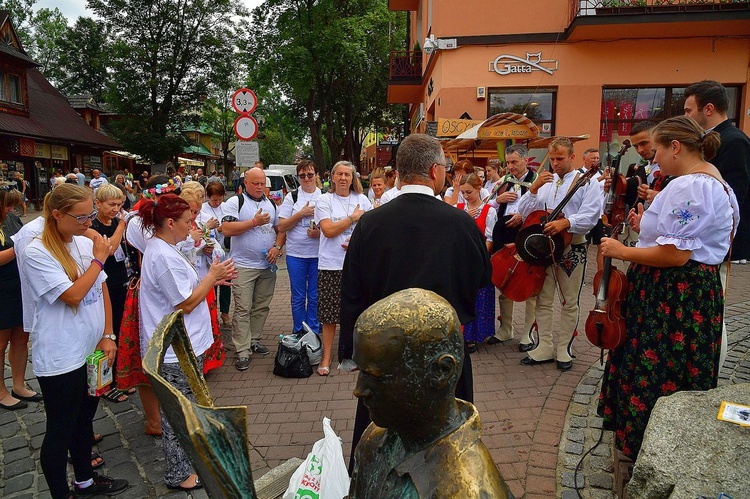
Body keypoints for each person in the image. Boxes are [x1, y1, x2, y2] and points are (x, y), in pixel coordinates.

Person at [340, 133, 491, 471]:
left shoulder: (371, 223)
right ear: (436, 171)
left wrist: (353, 354)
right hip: (443, 357)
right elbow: (482, 278)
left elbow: (352, 290)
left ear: (397, 172)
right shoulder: (460, 223)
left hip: (384, 358)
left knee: (377, 446)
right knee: (449, 449)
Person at [598, 116, 738, 460]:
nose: (653, 158)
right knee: (678, 367)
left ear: (676, 147)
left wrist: (622, 251)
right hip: (687, 291)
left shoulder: (690, 185)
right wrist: (644, 224)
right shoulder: (712, 182)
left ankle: (653, 447)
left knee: (661, 369)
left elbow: (676, 254)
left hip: (672, 293)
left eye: (657, 149)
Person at [349, 288, 511, 499]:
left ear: (441, 372)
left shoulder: (468, 490)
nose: (359, 391)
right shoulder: (376, 438)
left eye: (377, 377)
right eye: (361, 371)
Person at [24, 184, 128, 498]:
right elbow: (72, 295)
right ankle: (61, 492)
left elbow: (103, 290)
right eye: (82, 217)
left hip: (93, 350)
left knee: (85, 418)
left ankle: (85, 480)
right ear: (56, 215)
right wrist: (99, 258)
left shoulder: (83, 242)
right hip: (61, 357)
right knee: (61, 428)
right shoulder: (37, 251)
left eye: (91, 216)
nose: (89, 223)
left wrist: (108, 334)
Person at [138, 194, 236, 491]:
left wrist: (213, 280)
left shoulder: (166, 248)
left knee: (186, 405)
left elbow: (187, 289)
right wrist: (213, 276)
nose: (191, 226)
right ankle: (178, 473)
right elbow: (186, 303)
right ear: (170, 223)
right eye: (187, 221)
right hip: (174, 349)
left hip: (184, 344)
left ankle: (187, 460)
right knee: (178, 412)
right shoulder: (163, 255)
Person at [517, 137, 604, 371]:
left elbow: (591, 216)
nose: (554, 163)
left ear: (572, 157)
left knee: (569, 301)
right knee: (543, 299)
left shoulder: (588, 182)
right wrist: (533, 190)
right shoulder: (545, 180)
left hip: (571, 246)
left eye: (560, 158)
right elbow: (525, 212)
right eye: (552, 158)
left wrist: (566, 222)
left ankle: (564, 347)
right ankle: (544, 346)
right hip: (543, 248)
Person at [118, 175, 181, 437]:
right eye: (169, 195)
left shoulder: (166, 219)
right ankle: (154, 420)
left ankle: (166, 414)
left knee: (167, 355)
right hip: (143, 292)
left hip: (162, 290)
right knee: (146, 356)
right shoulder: (138, 222)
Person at [222, 168, 285, 371]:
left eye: (262, 184)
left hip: (267, 265)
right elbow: (227, 229)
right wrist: (253, 222)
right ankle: (242, 350)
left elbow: (279, 230)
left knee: (261, 306)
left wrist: (277, 247)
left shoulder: (271, 203)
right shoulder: (235, 202)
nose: (259, 187)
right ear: (245, 183)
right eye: (255, 183)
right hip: (243, 265)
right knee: (242, 308)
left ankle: (254, 340)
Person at [314, 161, 372, 375]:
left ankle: (356, 355)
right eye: (339, 174)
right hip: (331, 264)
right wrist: (352, 219)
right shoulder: (324, 200)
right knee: (329, 314)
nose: (343, 178)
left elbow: (369, 232)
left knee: (358, 312)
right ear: (332, 177)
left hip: (357, 265)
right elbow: (328, 230)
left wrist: (355, 240)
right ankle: (326, 357)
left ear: (353, 178)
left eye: (347, 174)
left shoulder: (362, 199)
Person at [684, 80, 750, 265]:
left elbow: (732, 196)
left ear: (709, 109)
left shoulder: (734, 141)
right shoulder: (712, 138)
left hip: (722, 243)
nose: (685, 116)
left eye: (689, 111)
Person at [487, 145, 538, 348]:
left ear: (525, 160)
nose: (510, 167)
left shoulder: (537, 180)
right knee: (504, 280)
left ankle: (527, 333)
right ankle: (506, 329)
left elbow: (543, 207)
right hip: (504, 235)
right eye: (508, 162)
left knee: (529, 284)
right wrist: (498, 199)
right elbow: (485, 203)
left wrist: (523, 215)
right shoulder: (504, 181)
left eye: (514, 162)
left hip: (527, 237)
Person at [0, 186, 41, 410]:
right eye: (7, 204)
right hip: (2, 289)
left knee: (20, 338)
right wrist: (20, 248)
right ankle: (0, 391)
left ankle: (19, 384)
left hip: (19, 286)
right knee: (0, 343)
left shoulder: (13, 219)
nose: (12, 209)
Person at [90, 184, 131, 403]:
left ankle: (117, 379)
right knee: (106, 334)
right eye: (111, 204)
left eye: (119, 204)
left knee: (119, 330)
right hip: (103, 285)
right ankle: (105, 385)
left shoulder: (114, 222)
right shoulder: (94, 226)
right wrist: (122, 226)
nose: (116, 209)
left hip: (121, 281)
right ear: (98, 204)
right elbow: (110, 249)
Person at [179, 181, 225, 374]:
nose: (193, 216)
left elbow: (219, 251)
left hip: (204, 278)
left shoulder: (201, 222)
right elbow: (177, 252)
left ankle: (206, 362)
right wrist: (197, 246)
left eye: (196, 211)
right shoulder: (176, 225)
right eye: (190, 211)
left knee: (206, 321)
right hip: (187, 283)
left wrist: (208, 249)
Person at [278, 160, 322, 337]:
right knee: (298, 297)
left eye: (310, 175)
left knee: (314, 296)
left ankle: (313, 333)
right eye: (302, 175)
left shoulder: (324, 196)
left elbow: (330, 226)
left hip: (318, 254)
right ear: (298, 177)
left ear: (316, 175)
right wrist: (300, 214)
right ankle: (298, 331)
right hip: (296, 254)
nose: (306, 178)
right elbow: (282, 226)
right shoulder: (292, 197)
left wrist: (318, 233)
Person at [455, 173, 496, 352]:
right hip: (461, 261)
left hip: (478, 261)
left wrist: (479, 256)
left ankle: (474, 335)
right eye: (463, 192)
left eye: (469, 192)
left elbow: (490, 237)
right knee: (462, 297)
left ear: (479, 188)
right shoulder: (459, 209)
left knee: (478, 297)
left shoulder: (489, 210)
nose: (466, 196)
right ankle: (461, 335)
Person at [202, 181, 231, 326]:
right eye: (214, 200)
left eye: (220, 199)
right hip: (211, 254)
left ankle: (225, 313)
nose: (217, 203)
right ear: (208, 197)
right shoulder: (203, 209)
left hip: (226, 250)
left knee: (226, 284)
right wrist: (215, 230)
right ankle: (211, 313)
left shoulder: (226, 207)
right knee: (212, 284)